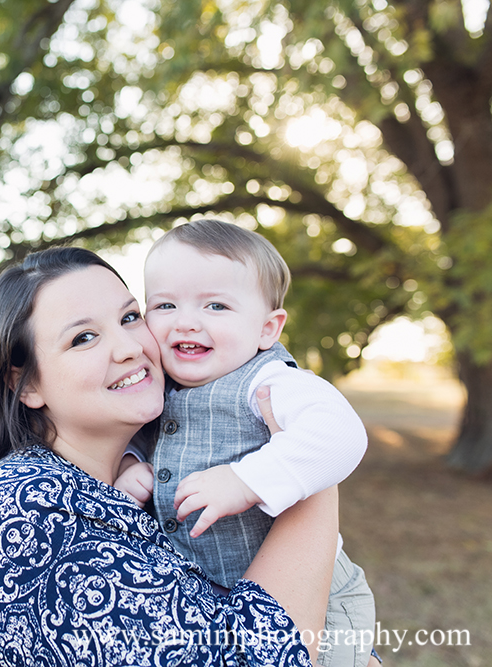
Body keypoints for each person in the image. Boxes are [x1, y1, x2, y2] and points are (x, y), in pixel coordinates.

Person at [0, 246, 339, 666]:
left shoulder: (123, 484)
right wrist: (311, 458)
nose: (129, 348)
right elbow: (247, 658)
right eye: (83, 338)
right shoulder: (19, 514)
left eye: (130, 318)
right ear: (26, 386)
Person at [113, 219, 378, 667]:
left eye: (216, 306)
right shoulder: (163, 386)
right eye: (164, 305)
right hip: (225, 605)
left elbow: (342, 434)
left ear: (266, 330)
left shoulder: (271, 381)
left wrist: (246, 480)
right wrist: (131, 460)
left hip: (320, 601)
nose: (187, 322)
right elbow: (153, 436)